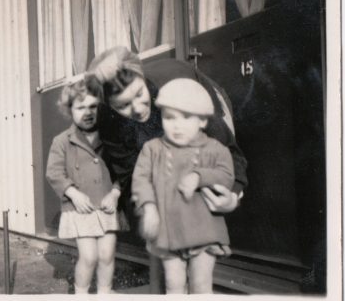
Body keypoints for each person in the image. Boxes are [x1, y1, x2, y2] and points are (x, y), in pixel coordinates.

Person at [84, 46, 248, 293]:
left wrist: (233, 195)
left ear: (141, 76)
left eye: (139, 94)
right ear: (109, 105)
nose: (138, 109)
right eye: (123, 105)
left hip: (197, 96)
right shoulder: (108, 121)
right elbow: (131, 178)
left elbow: (228, 152)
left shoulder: (180, 87)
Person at [132, 78, 235, 294]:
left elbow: (226, 176)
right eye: (170, 117)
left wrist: (200, 176)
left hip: (204, 230)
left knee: (200, 284)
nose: (177, 125)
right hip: (168, 232)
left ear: (203, 122)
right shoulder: (153, 149)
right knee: (174, 284)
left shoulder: (215, 149)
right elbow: (141, 179)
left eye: (186, 117)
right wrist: (149, 207)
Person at [45, 80, 126, 294]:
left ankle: (104, 293)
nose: (88, 112)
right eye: (80, 107)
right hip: (81, 207)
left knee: (107, 254)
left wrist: (116, 194)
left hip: (107, 205)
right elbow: (54, 173)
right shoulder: (62, 141)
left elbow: (123, 171)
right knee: (89, 256)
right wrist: (73, 194)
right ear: (69, 110)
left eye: (93, 106)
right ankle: (81, 293)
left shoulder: (111, 138)